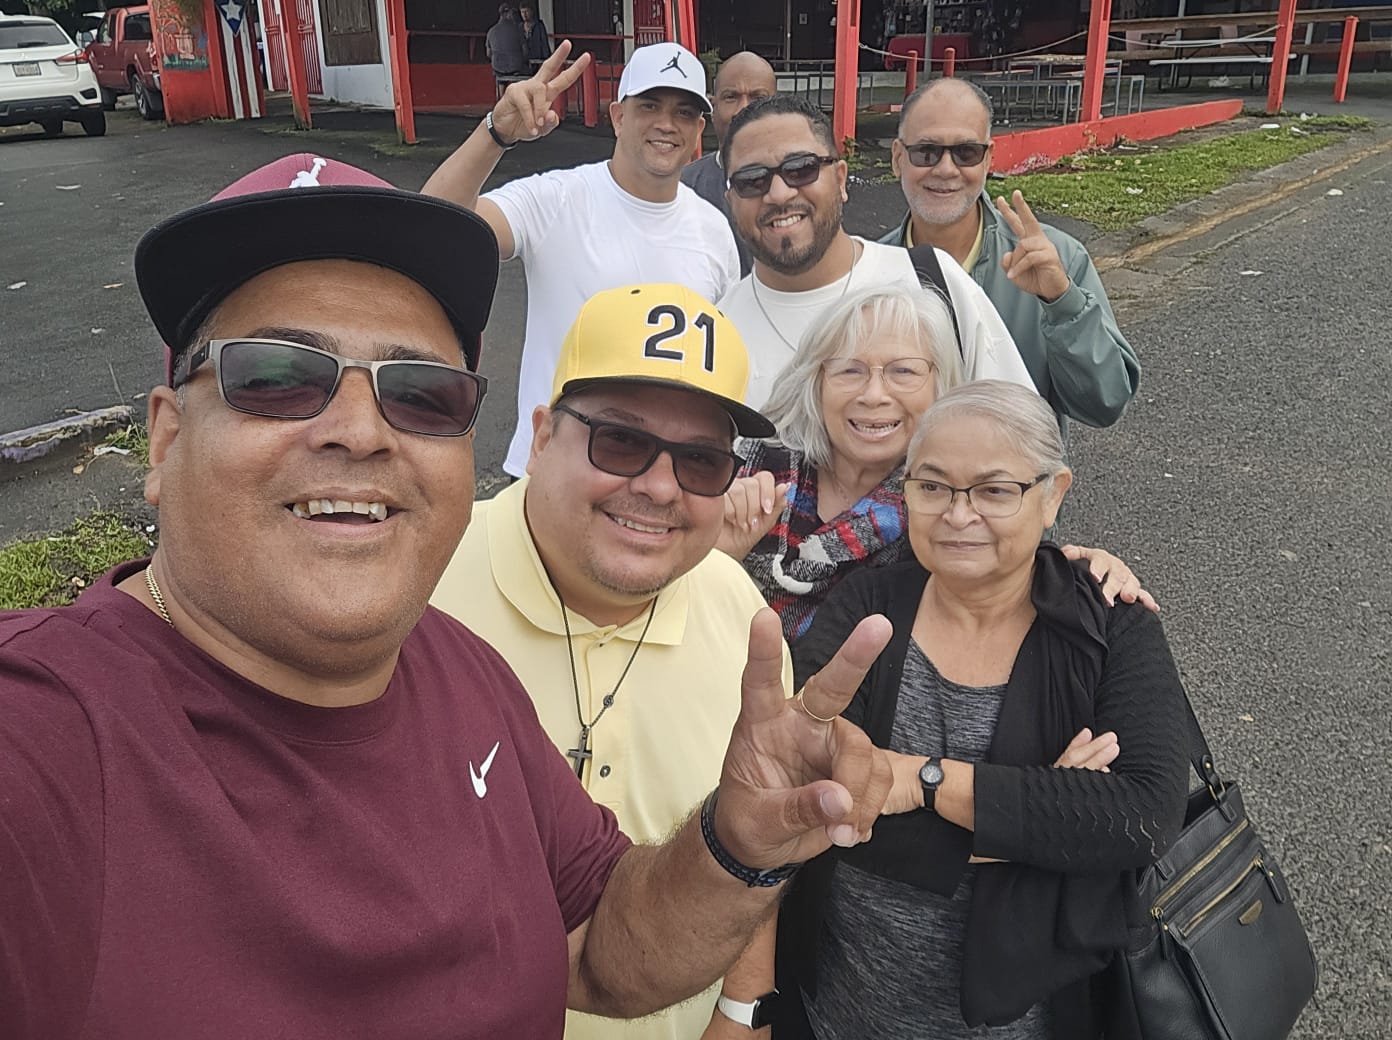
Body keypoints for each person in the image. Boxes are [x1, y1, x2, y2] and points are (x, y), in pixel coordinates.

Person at [0, 153, 897, 1039]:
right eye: (277, 377)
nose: (359, 431)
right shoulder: (48, 737)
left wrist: (734, 849)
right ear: (164, 440)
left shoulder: (458, 668)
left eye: (421, 393)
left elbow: (597, 947)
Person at [767, 381, 1191, 1038]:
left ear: (1052, 495)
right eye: (932, 486)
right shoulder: (866, 607)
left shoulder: (1110, 625)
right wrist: (1036, 820)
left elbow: (1142, 818)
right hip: (840, 1003)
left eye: (994, 491)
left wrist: (922, 781)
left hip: (1040, 1017)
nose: (958, 514)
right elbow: (817, 795)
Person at [431, 282, 791, 1040]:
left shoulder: (741, 615)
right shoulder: (416, 588)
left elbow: (751, 835)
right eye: (620, 441)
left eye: (701, 461)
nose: (659, 487)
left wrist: (742, 1009)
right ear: (540, 438)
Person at [719, 288, 1148, 646]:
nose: (873, 394)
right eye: (850, 370)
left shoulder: (953, 511)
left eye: (903, 372)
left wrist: (1088, 574)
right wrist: (716, 552)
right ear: (816, 382)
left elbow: (1013, 572)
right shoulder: (736, 470)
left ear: (942, 387)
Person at [423, 41, 740, 479]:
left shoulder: (714, 229)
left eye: (684, 113)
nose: (667, 124)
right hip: (552, 472)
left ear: (699, 127)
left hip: (662, 477)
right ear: (618, 116)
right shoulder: (557, 198)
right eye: (649, 106)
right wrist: (495, 133)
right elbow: (436, 229)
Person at [716, 93, 1032, 409]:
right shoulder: (716, 334)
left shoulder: (931, 281)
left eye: (801, 169)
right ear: (731, 202)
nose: (779, 194)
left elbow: (1019, 427)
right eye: (751, 180)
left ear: (841, 179)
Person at [879, 78, 1139, 434]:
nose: (945, 169)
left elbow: (1104, 404)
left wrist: (1062, 302)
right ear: (897, 158)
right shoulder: (872, 270)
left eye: (966, 152)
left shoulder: (1053, 259)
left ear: (989, 158)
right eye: (926, 151)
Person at [681, 51, 777, 277]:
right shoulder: (683, 186)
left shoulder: (800, 180)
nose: (743, 109)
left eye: (757, 98)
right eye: (731, 97)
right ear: (713, 108)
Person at [486, 4, 528, 77]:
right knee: (529, 70)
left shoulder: (491, 31)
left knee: (499, 74)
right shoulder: (517, 29)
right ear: (508, 14)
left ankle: (500, 84)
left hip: (497, 68)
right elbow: (525, 51)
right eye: (512, 13)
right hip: (516, 67)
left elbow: (488, 54)